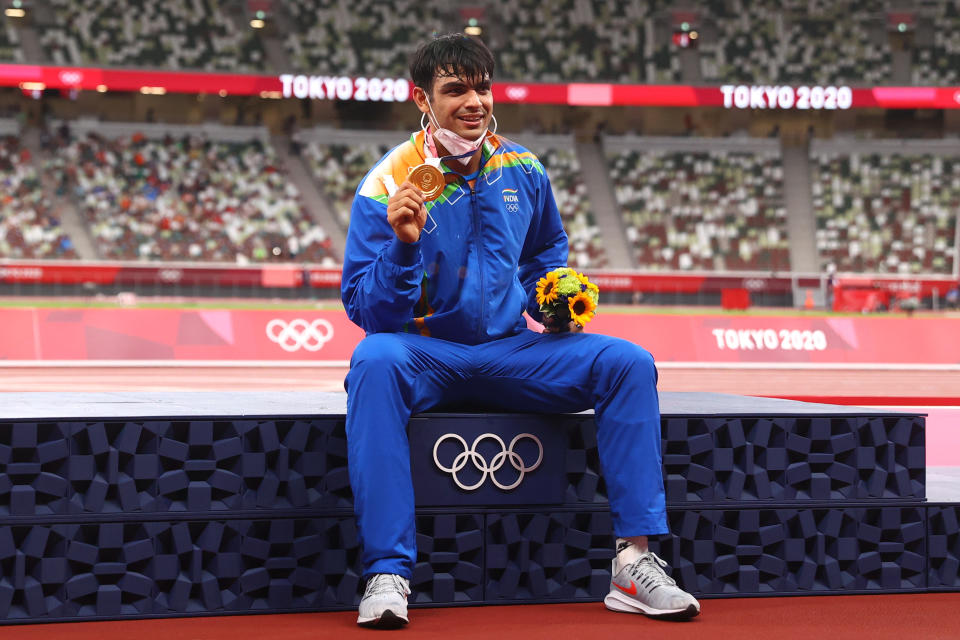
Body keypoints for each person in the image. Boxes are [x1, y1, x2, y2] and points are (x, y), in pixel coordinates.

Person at [341, 33, 700, 629]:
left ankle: (634, 562)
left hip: (513, 350)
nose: (474, 101)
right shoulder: (387, 183)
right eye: (455, 89)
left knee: (627, 363)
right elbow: (367, 310)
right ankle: (388, 572)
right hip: (425, 353)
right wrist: (404, 250)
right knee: (373, 360)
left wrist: (556, 298)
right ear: (422, 99)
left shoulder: (524, 168)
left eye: (482, 87)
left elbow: (542, 262)